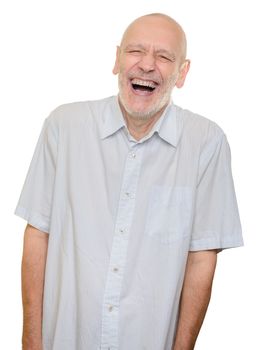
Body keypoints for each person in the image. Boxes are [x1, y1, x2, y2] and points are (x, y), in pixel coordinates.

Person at [15, 13, 243, 350]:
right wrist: (31, 343)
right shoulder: (64, 127)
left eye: (164, 57)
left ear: (182, 73)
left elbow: (202, 258)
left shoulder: (207, 143)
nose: (147, 65)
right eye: (136, 51)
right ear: (117, 59)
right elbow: (38, 234)